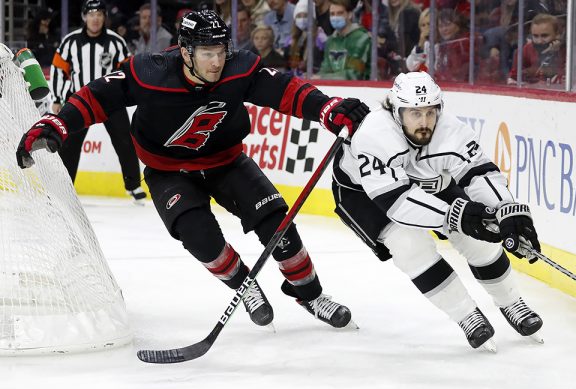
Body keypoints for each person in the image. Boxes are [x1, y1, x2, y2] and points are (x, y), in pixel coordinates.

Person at [17, 10, 370, 330]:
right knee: (202, 240)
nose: (217, 62)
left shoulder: (238, 68)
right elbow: (97, 97)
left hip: (226, 162)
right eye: (207, 53)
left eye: (221, 51)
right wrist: (59, 123)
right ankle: (244, 285)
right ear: (185, 52)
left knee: (280, 228)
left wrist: (327, 108)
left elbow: (285, 91)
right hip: (167, 171)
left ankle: (310, 295)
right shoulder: (151, 71)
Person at [331, 72, 544, 351]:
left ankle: (511, 301)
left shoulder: (450, 129)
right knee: (410, 246)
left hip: (428, 181)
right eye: (415, 113)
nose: (424, 122)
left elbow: (479, 173)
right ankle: (467, 315)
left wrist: (506, 209)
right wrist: (456, 216)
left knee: (480, 236)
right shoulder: (375, 134)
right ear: (396, 111)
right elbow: (397, 202)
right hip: (367, 195)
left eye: (430, 112)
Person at [50, 0, 146, 203]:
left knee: (124, 141)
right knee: (69, 146)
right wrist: (58, 98)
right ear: (85, 17)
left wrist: (129, 94)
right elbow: (59, 70)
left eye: (99, 14)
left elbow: (127, 70)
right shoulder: (70, 41)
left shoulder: (115, 42)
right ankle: (65, 188)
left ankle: (133, 185)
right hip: (79, 100)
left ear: (104, 17)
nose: (95, 18)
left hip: (111, 100)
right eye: (91, 14)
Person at [317, 0, 371, 80]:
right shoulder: (330, 41)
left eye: (339, 13)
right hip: (335, 88)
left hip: (362, 89)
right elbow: (325, 68)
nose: (335, 17)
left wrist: (321, 77)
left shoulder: (361, 38)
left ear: (349, 14)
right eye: (332, 14)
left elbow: (353, 73)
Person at [508, 13, 565, 87]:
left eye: (545, 36)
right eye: (535, 36)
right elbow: (513, 80)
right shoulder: (524, 51)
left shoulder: (567, 52)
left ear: (557, 34)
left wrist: (554, 55)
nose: (539, 41)